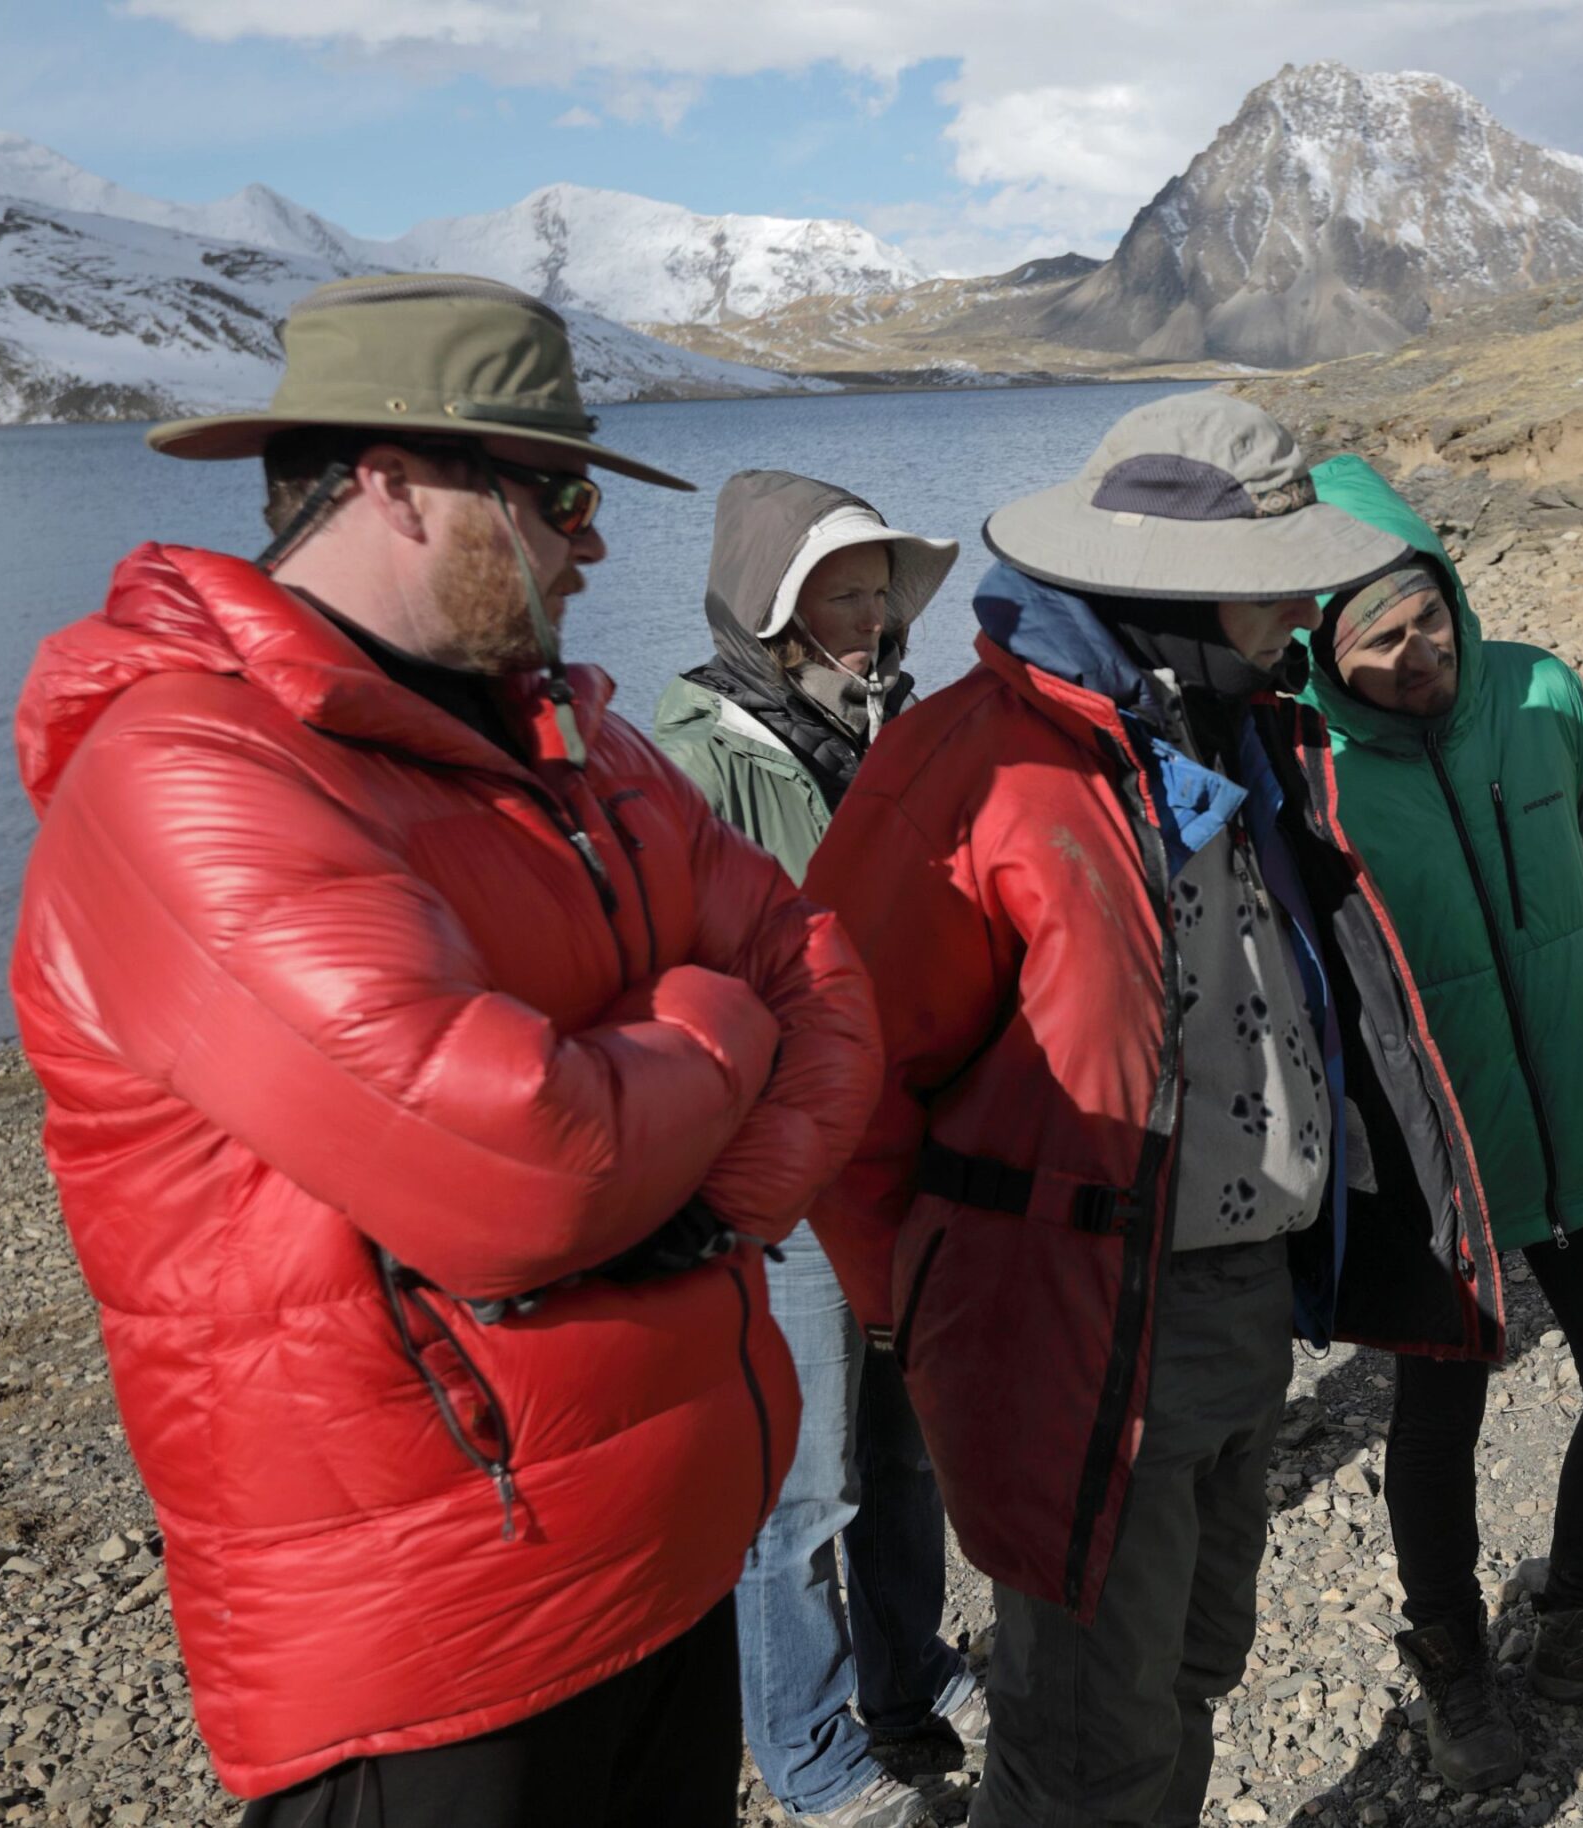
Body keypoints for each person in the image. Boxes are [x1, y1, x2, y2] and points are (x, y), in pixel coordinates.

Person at [9, 273, 882, 1826]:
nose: (592, 537)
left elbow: (828, 971)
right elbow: (529, 1170)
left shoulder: (577, 742)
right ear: (395, 485)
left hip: (664, 1560)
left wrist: (716, 1200)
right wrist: (712, 1021)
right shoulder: (187, 771)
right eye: (554, 494)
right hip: (435, 1656)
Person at [798, 393, 1507, 1828]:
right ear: (1172, 587)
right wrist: (914, 1307)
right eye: (1276, 583)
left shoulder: (1229, 732)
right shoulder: (971, 765)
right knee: (1084, 1734)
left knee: (1189, 1665)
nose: (1307, 608)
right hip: (1065, 1313)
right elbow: (838, 1071)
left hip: (1237, 1301)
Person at [1296, 456, 1583, 1791]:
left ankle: (1582, 1629)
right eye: (1377, 631)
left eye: (1427, 611)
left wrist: (1539, 966)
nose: (1416, 645)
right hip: (1444, 1154)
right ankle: (1452, 1666)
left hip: (1582, 1106)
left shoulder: (1538, 692)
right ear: (1324, 648)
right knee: (1438, 1418)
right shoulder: (1311, 770)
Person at [654, 473, 978, 1828]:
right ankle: (807, 1748)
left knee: (904, 1446)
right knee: (805, 1480)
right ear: (775, 611)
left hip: (893, 1146)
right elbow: (685, 979)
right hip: (787, 1171)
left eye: (882, 593)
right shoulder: (698, 756)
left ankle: (908, 1677)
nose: (877, 619)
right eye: (845, 595)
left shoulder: (884, 726)